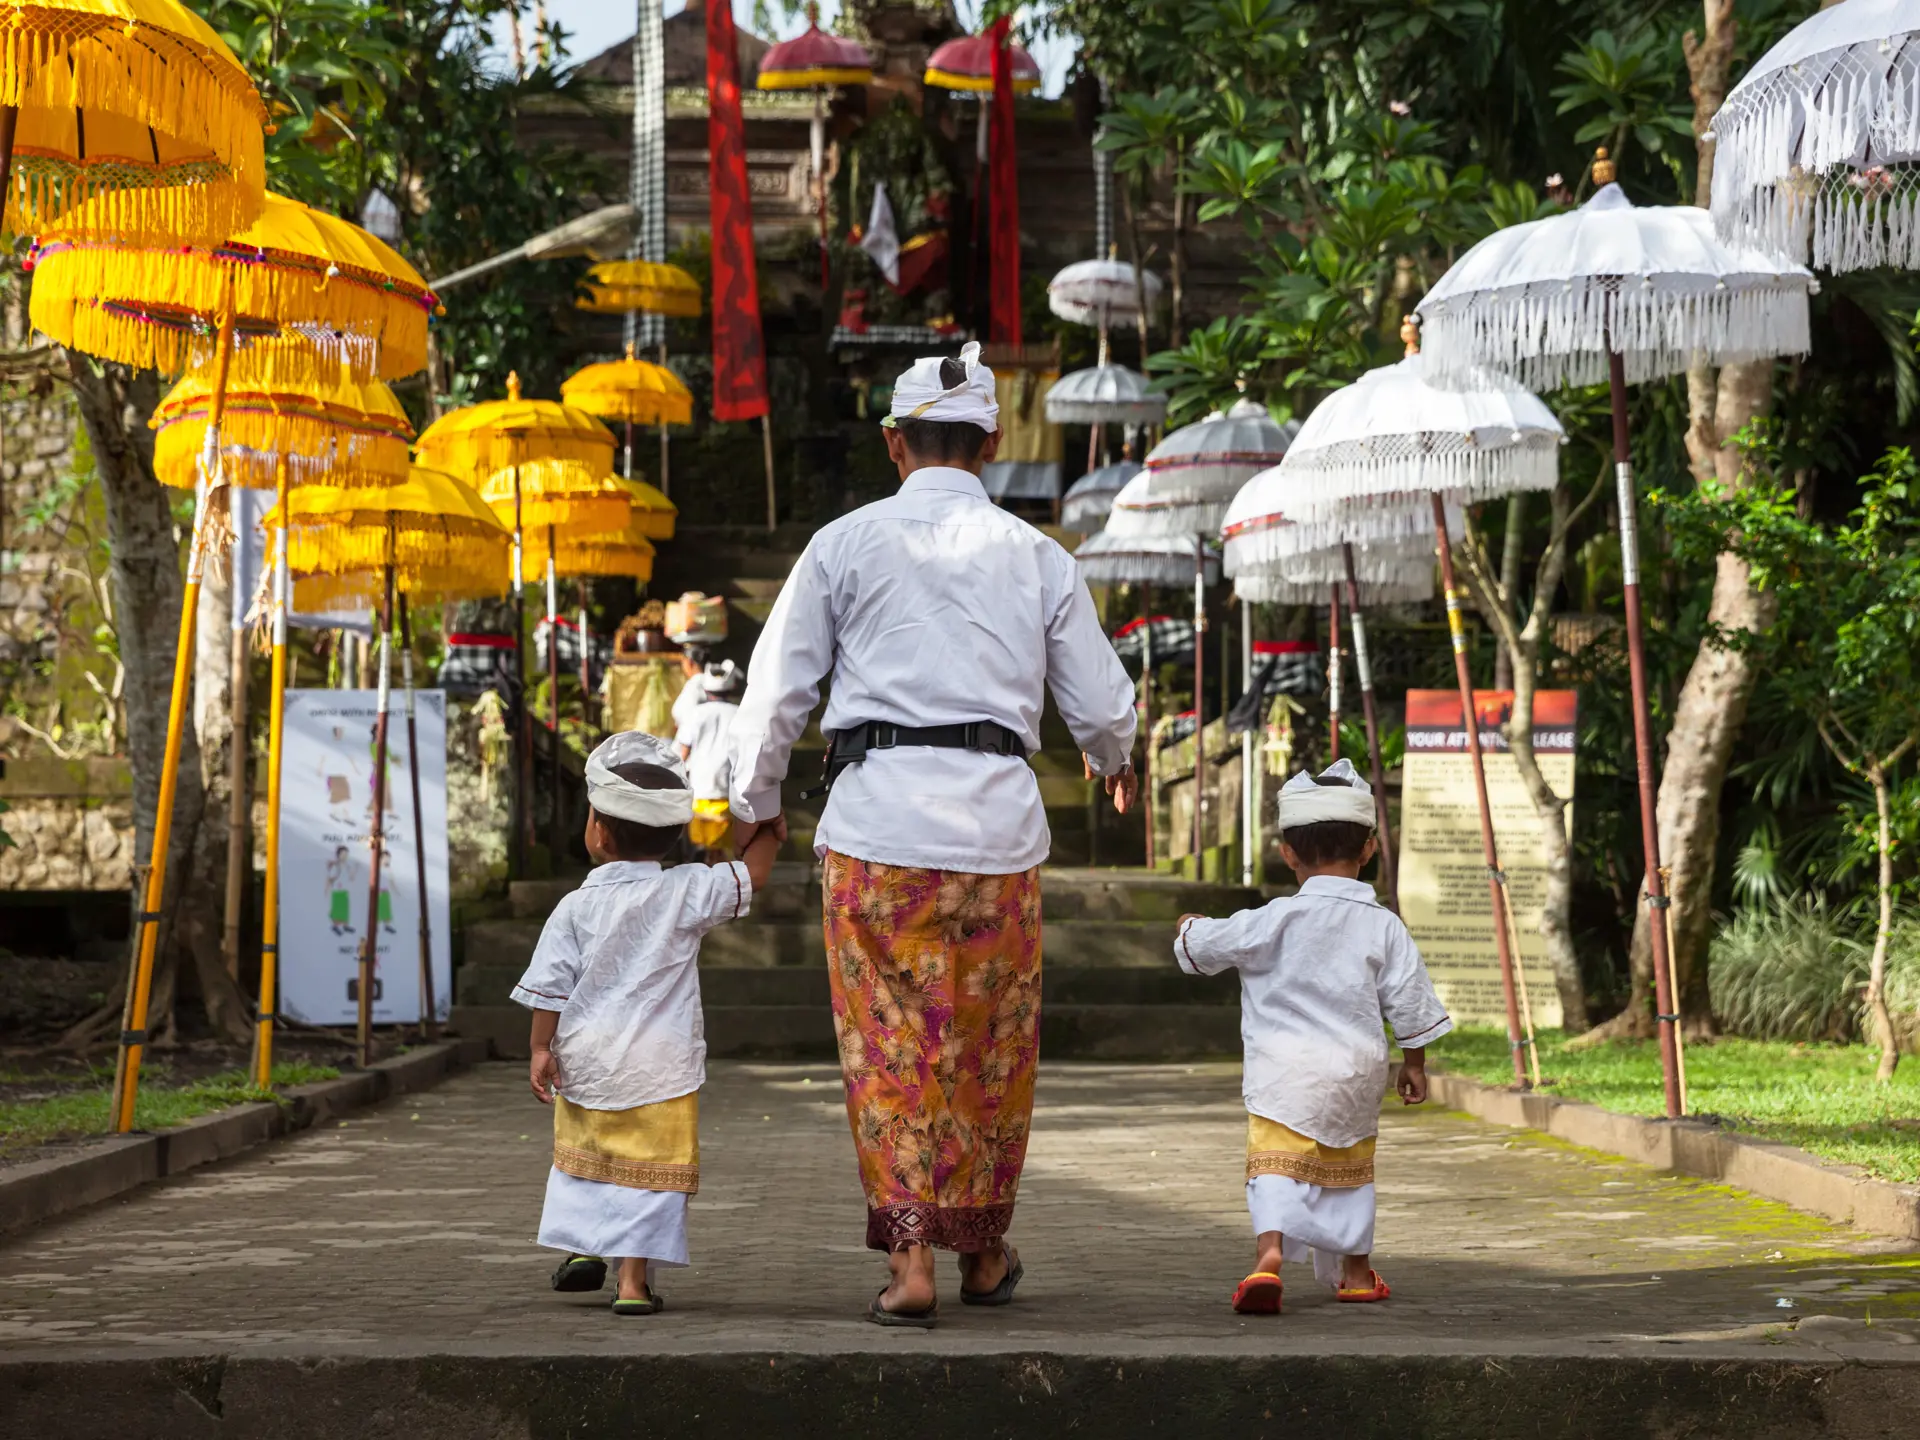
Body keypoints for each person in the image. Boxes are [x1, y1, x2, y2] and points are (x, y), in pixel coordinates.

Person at [727, 340, 1139, 1328]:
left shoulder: (844, 543)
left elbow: (776, 688)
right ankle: (984, 1252)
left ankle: (912, 1261)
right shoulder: (1038, 555)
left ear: (892, 444)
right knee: (990, 1046)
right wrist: (1111, 754)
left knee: (893, 1046)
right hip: (998, 832)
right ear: (991, 444)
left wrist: (756, 800)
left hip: (877, 829)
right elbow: (1102, 703)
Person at [511, 731, 780, 1315]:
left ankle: (585, 1247)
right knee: (653, 1172)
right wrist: (767, 834)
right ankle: (632, 1284)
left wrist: (539, 1049)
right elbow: (751, 877)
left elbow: (549, 987)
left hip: (587, 1056)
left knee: (587, 1158)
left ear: (598, 832)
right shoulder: (686, 890)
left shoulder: (574, 906)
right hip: (662, 1064)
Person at [1173, 759, 1452, 1313]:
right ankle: (1355, 1272)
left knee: (1275, 1165)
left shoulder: (1271, 919)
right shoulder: (1384, 925)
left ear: (1288, 853)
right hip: (1355, 1072)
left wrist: (1188, 926)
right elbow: (1409, 1000)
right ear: (1368, 849)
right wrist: (1414, 1064)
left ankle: (1269, 1257)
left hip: (1283, 1075)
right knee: (1349, 1169)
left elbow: (1202, 948)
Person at [677, 661, 745, 860]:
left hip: (700, 787)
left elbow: (683, 752)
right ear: (732, 687)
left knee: (702, 844)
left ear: (706, 689)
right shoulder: (739, 713)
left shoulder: (696, 714)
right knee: (723, 849)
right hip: (728, 788)